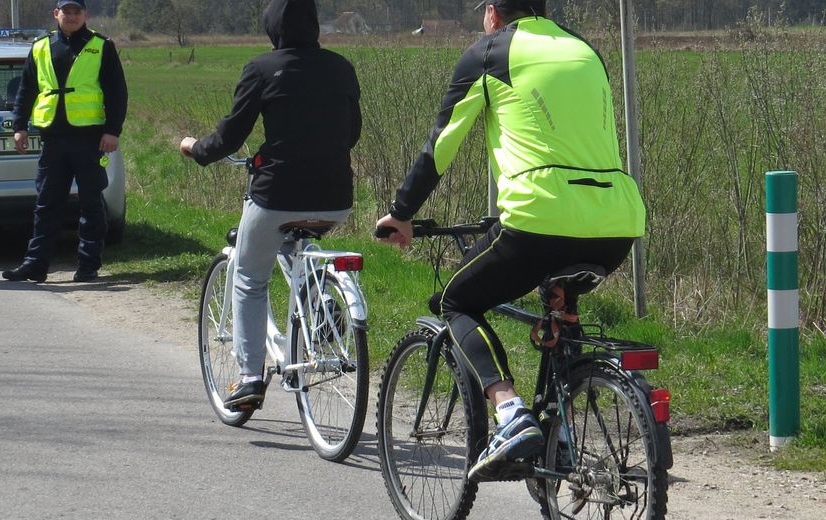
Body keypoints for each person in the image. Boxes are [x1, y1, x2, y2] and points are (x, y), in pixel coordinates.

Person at [375, 0, 646, 479]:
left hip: (539, 218)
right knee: (560, 306)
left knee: (456, 301)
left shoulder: (490, 53)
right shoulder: (586, 50)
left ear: (494, 13)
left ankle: (509, 413)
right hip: (617, 223)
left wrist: (401, 213)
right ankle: (562, 437)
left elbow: (441, 145)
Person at [179, 0, 362, 411]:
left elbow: (229, 136)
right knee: (299, 247)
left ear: (272, 28)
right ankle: (322, 305)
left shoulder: (261, 69)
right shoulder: (341, 67)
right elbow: (351, 132)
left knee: (247, 274)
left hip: (276, 194)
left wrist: (196, 149)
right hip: (336, 198)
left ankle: (249, 377)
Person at [3, 0, 128, 284]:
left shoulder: (101, 46)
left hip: (89, 138)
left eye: (76, 12)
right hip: (53, 139)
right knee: (47, 204)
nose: (71, 17)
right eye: (66, 11)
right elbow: (26, 90)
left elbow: (117, 92)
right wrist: (19, 126)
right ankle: (36, 264)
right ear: (55, 14)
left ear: (85, 15)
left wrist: (113, 131)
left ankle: (88, 265)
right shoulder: (40, 47)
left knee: (91, 204)